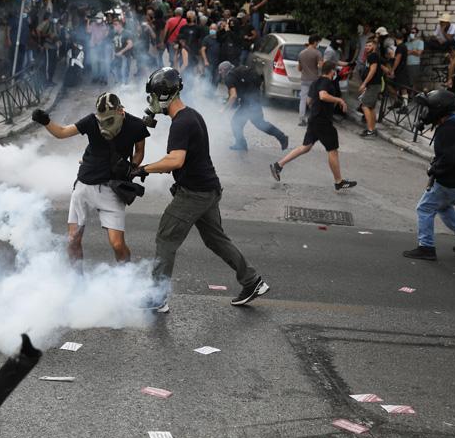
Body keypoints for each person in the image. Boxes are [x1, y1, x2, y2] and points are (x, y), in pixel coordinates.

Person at [130, 67, 270, 312]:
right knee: (215, 239)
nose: (150, 101)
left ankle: (158, 297)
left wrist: (143, 169)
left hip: (194, 193)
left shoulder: (181, 124)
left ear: (163, 96)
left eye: (152, 95)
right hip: (208, 189)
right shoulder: (191, 115)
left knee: (166, 237)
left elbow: (175, 161)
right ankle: (252, 281)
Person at [31, 92, 149, 264]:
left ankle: (125, 278)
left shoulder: (135, 125)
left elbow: (139, 151)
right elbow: (62, 132)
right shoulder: (91, 120)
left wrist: (132, 167)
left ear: (120, 111)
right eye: (101, 119)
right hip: (85, 185)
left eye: (108, 119)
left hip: (112, 189)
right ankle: (77, 282)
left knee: (117, 244)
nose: (103, 123)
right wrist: (45, 121)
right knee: (73, 240)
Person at [402, 89, 455, 260]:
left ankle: (426, 247)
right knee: (443, 206)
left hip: (454, 181)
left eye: (429, 109)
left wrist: (434, 170)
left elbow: (447, 159)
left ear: (439, 110)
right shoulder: (454, 122)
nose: (425, 113)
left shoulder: (447, 130)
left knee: (425, 208)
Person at [269, 62, 358, 191]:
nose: (335, 74)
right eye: (335, 71)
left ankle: (278, 165)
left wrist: (317, 109)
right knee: (332, 150)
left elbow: (309, 100)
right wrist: (339, 100)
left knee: (306, 147)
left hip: (314, 119)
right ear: (331, 71)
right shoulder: (326, 82)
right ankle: (339, 181)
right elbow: (323, 96)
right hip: (323, 122)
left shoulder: (316, 82)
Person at [219, 61, 289, 151]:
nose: (219, 73)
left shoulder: (229, 77)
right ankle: (241, 144)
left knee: (240, 122)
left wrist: (223, 110)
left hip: (250, 102)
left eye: (220, 70)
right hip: (252, 99)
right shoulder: (238, 72)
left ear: (225, 70)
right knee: (252, 123)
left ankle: (282, 137)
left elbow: (233, 96)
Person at [297, 35, 323, 126]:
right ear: (315, 42)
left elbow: (299, 68)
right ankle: (313, 119)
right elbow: (320, 66)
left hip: (304, 79)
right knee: (314, 100)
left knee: (303, 100)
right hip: (314, 80)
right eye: (318, 42)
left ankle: (301, 119)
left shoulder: (301, 53)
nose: (318, 44)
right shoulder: (317, 53)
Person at [358, 38, 381, 138]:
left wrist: (364, 83)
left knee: (365, 106)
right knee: (371, 107)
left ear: (374, 46)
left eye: (370, 45)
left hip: (373, 85)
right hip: (374, 85)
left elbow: (373, 70)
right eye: (366, 45)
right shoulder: (372, 56)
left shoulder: (373, 56)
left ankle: (370, 130)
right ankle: (372, 129)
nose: (367, 47)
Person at [36, 12, 59, 85]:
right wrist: (44, 36)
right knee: (48, 64)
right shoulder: (46, 23)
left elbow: (55, 34)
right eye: (51, 17)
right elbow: (38, 30)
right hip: (48, 46)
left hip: (54, 46)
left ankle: (50, 80)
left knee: (53, 64)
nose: (53, 18)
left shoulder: (54, 24)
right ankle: (46, 81)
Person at [110, 18, 134, 85]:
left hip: (125, 57)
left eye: (116, 24)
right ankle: (120, 84)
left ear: (120, 25)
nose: (114, 26)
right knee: (114, 69)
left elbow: (130, 44)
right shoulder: (115, 34)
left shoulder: (127, 33)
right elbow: (113, 45)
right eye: (113, 25)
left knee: (124, 73)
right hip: (117, 57)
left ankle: (125, 88)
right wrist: (113, 54)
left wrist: (121, 52)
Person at [200, 25, 221, 92]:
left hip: (218, 62)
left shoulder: (219, 38)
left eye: (214, 28)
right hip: (209, 62)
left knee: (216, 78)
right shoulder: (206, 38)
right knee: (208, 77)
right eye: (211, 28)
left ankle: (212, 92)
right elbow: (203, 50)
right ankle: (207, 92)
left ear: (217, 30)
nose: (212, 30)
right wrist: (205, 61)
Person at [406, 26, 425, 91]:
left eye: (413, 32)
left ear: (416, 33)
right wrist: (414, 51)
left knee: (414, 82)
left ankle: (413, 96)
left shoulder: (420, 42)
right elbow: (405, 53)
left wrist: (410, 52)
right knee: (407, 81)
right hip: (407, 64)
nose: (412, 34)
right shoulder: (407, 42)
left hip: (415, 64)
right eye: (411, 32)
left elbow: (419, 53)